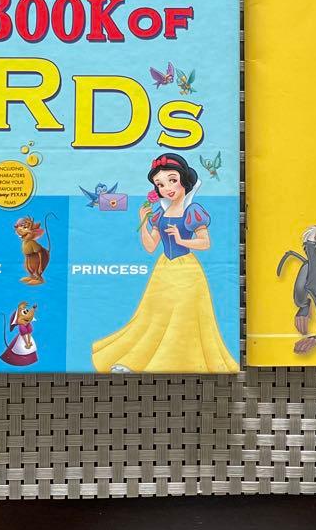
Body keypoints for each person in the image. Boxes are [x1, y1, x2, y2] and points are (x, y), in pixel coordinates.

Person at [92, 154, 238, 373]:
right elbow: (151, 246)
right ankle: (134, 360)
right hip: (163, 270)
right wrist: (143, 222)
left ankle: (172, 363)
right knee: (153, 317)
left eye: (172, 180)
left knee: (183, 317)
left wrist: (181, 239)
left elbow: (205, 243)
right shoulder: (160, 213)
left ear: (184, 180)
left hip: (187, 270)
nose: (167, 188)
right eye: (160, 184)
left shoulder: (192, 210)